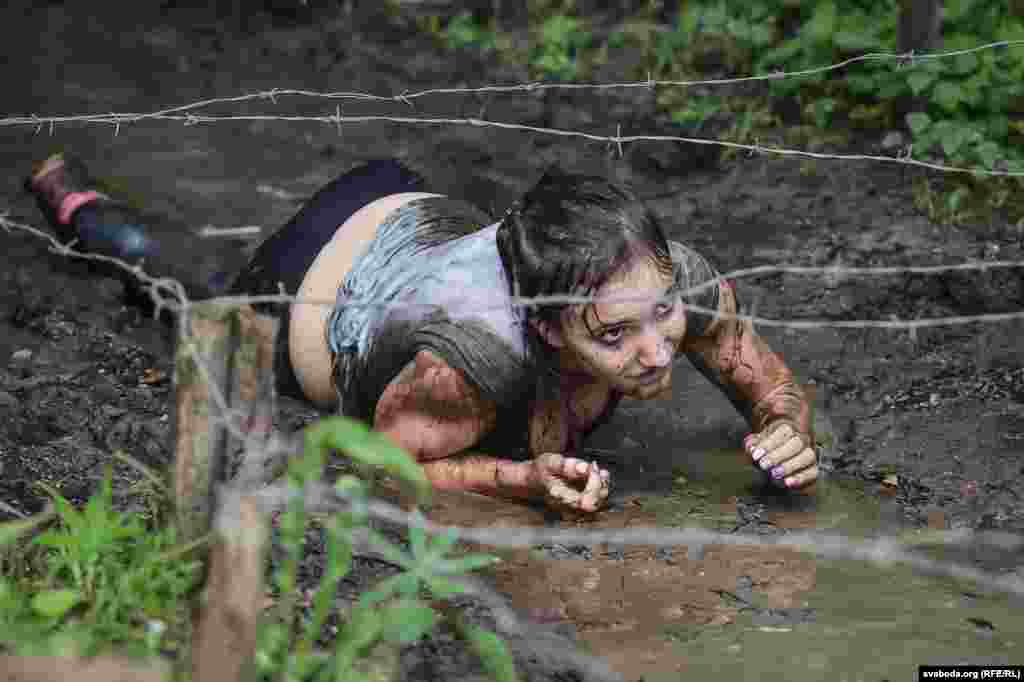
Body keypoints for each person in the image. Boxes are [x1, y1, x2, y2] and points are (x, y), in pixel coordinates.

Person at [26, 153, 819, 514]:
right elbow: (380, 466)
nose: (655, 350)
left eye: (664, 315)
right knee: (183, 293)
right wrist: (517, 479)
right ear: (543, 331)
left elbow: (771, 385)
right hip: (308, 281)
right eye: (614, 336)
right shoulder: (473, 362)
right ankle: (84, 212)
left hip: (418, 211)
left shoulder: (670, 277)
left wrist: (785, 428)